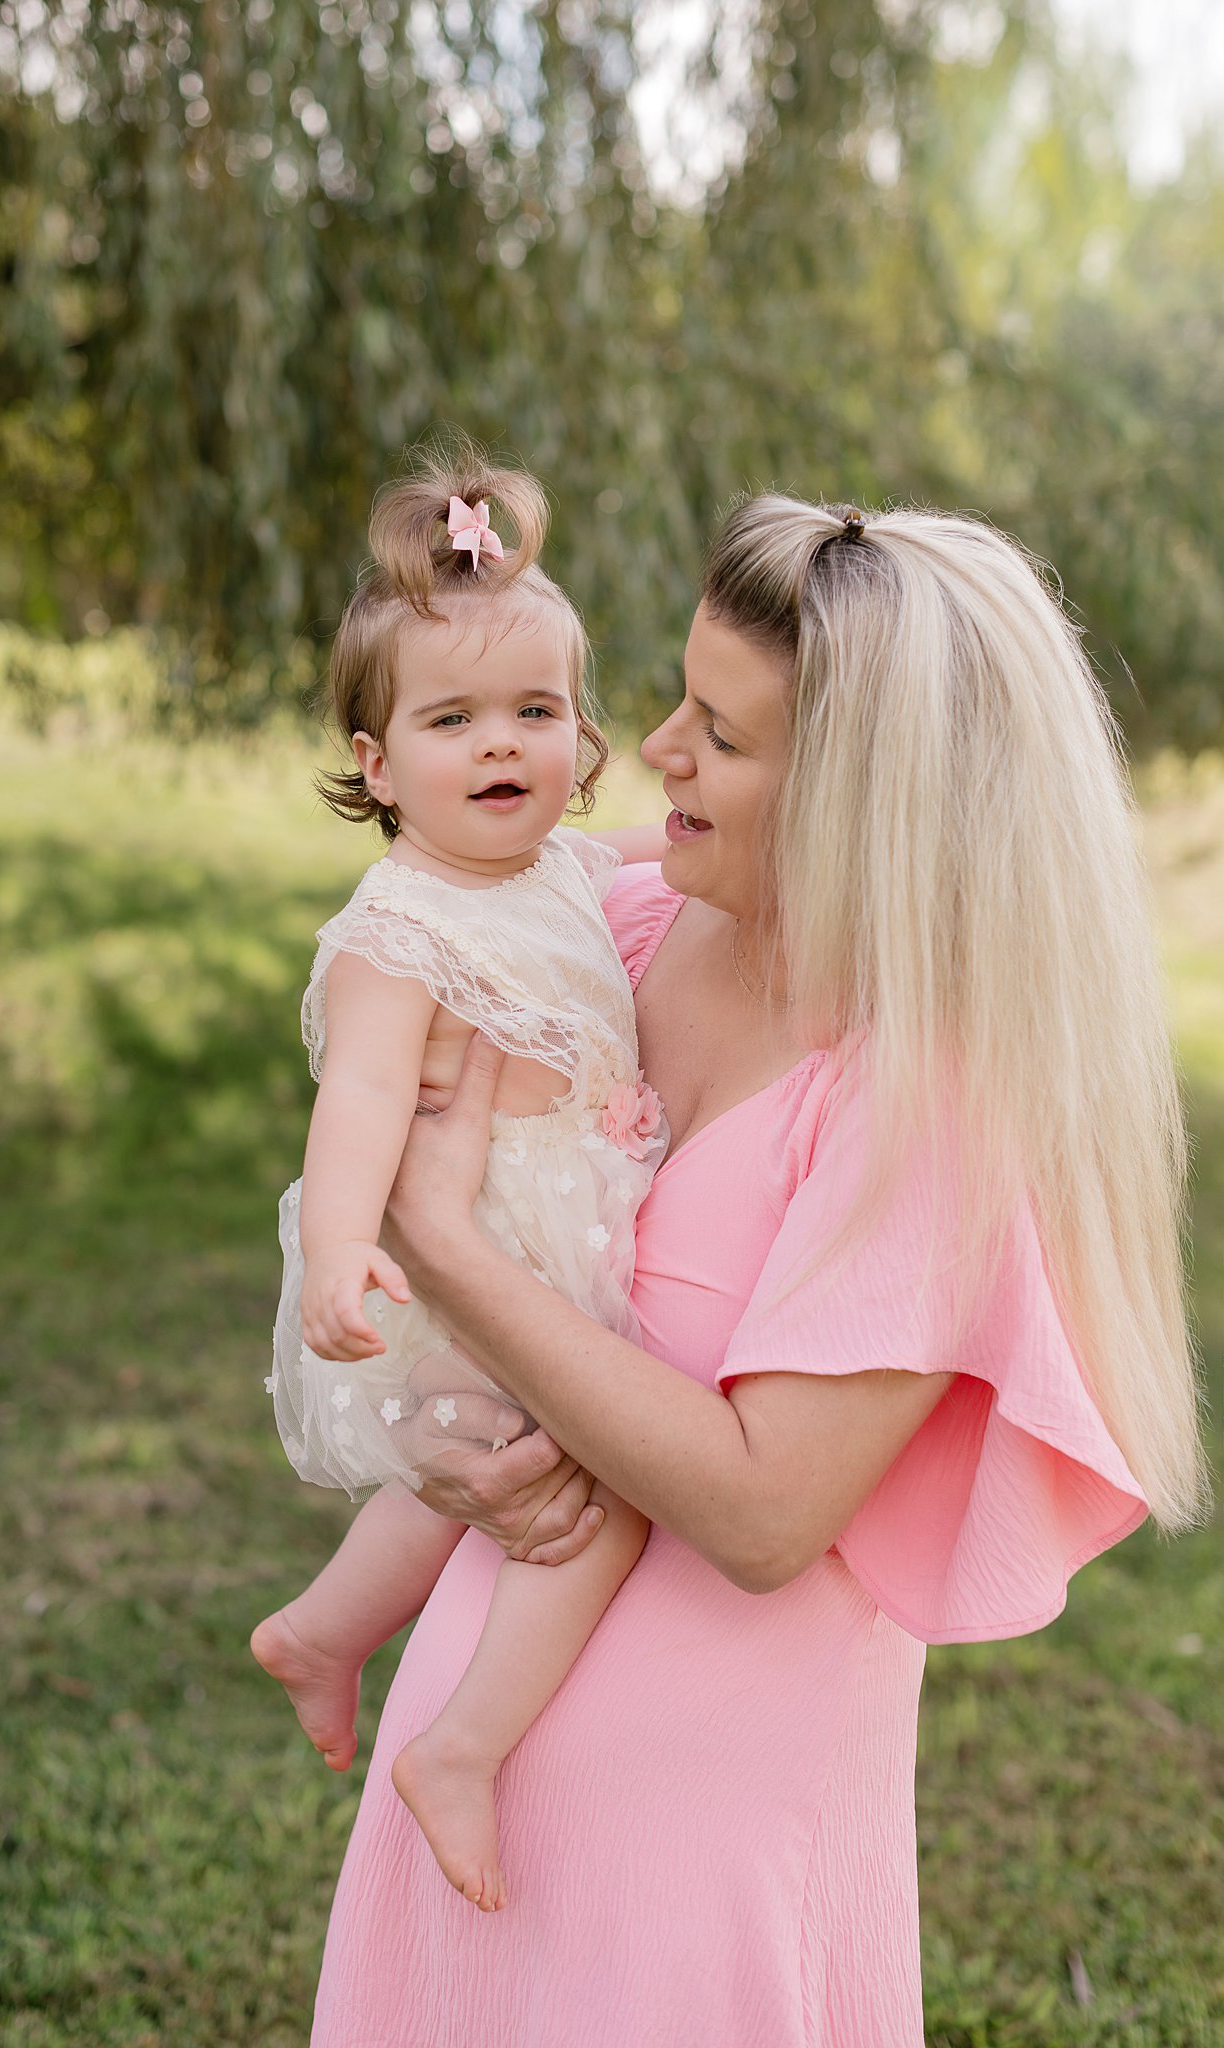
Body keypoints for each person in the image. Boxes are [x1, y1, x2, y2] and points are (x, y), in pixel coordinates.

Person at [305, 492, 1207, 2046]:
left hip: (693, 1868)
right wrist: (442, 1448)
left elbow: (760, 1509)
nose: (649, 749)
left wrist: (442, 1248)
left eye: (718, 736)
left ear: (862, 800)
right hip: (462, 1779)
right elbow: (385, 1065)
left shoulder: (933, 1107)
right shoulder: (628, 925)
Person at [251, 441, 669, 1915]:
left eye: (535, 712)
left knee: (458, 1493)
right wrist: (348, 1248)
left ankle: (318, 1633)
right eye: (452, 720)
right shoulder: (398, 930)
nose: (502, 746)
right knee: (599, 1491)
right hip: (470, 1256)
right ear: (375, 765)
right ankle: (461, 1749)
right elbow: (361, 1095)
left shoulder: (563, 868)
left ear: (581, 729)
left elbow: (664, 859)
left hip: (558, 1239)